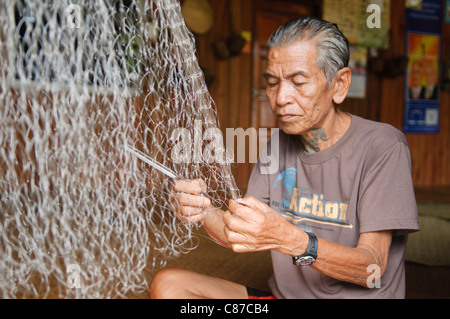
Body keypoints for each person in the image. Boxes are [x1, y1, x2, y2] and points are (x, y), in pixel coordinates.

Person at [150, 17, 420, 299]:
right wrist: (200, 210)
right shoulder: (277, 145)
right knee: (169, 285)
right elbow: (238, 232)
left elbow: (371, 267)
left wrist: (289, 238)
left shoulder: (383, 146)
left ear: (339, 84)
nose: (280, 98)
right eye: (272, 82)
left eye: (298, 82)